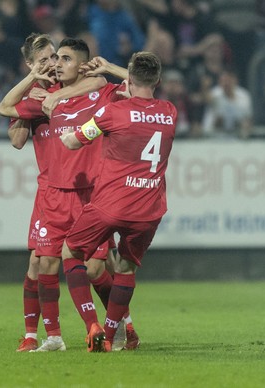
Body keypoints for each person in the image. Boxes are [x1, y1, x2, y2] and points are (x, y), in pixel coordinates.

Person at [0, 37, 137, 352]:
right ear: (32, 64)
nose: (53, 64)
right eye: (46, 59)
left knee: (96, 268)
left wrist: (60, 91)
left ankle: (121, 324)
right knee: (40, 264)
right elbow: (16, 137)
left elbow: (108, 81)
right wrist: (35, 85)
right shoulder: (37, 96)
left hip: (92, 190)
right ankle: (46, 336)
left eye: (57, 57)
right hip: (51, 190)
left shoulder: (89, 91)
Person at [61, 51, 177, 352]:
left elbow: (74, 141)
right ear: (159, 81)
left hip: (111, 204)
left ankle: (92, 324)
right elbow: (142, 87)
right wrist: (116, 71)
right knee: (125, 269)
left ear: (129, 78)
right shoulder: (170, 112)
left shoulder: (115, 111)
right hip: (148, 210)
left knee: (71, 252)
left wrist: (65, 130)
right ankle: (112, 337)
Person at [202, 67, 253, 139]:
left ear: (235, 80)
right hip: (215, 139)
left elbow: (248, 118)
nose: (226, 83)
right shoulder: (215, 93)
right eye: (223, 80)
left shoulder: (244, 96)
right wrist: (205, 88)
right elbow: (207, 99)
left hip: (236, 139)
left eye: (228, 80)